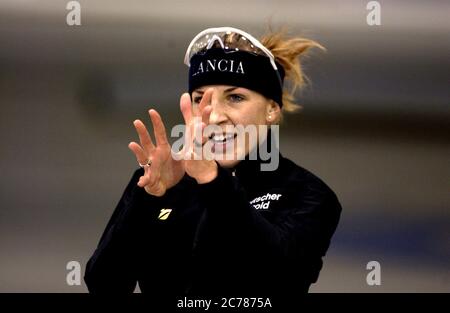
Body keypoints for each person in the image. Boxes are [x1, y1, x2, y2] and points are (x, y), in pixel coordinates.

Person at [84, 27, 342, 299]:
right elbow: (104, 285)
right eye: (201, 99)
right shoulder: (160, 180)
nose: (215, 115)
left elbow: (276, 278)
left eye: (235, 97)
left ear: (271, 110)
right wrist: (147, 199)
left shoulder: (308, 193)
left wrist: (213, 182)